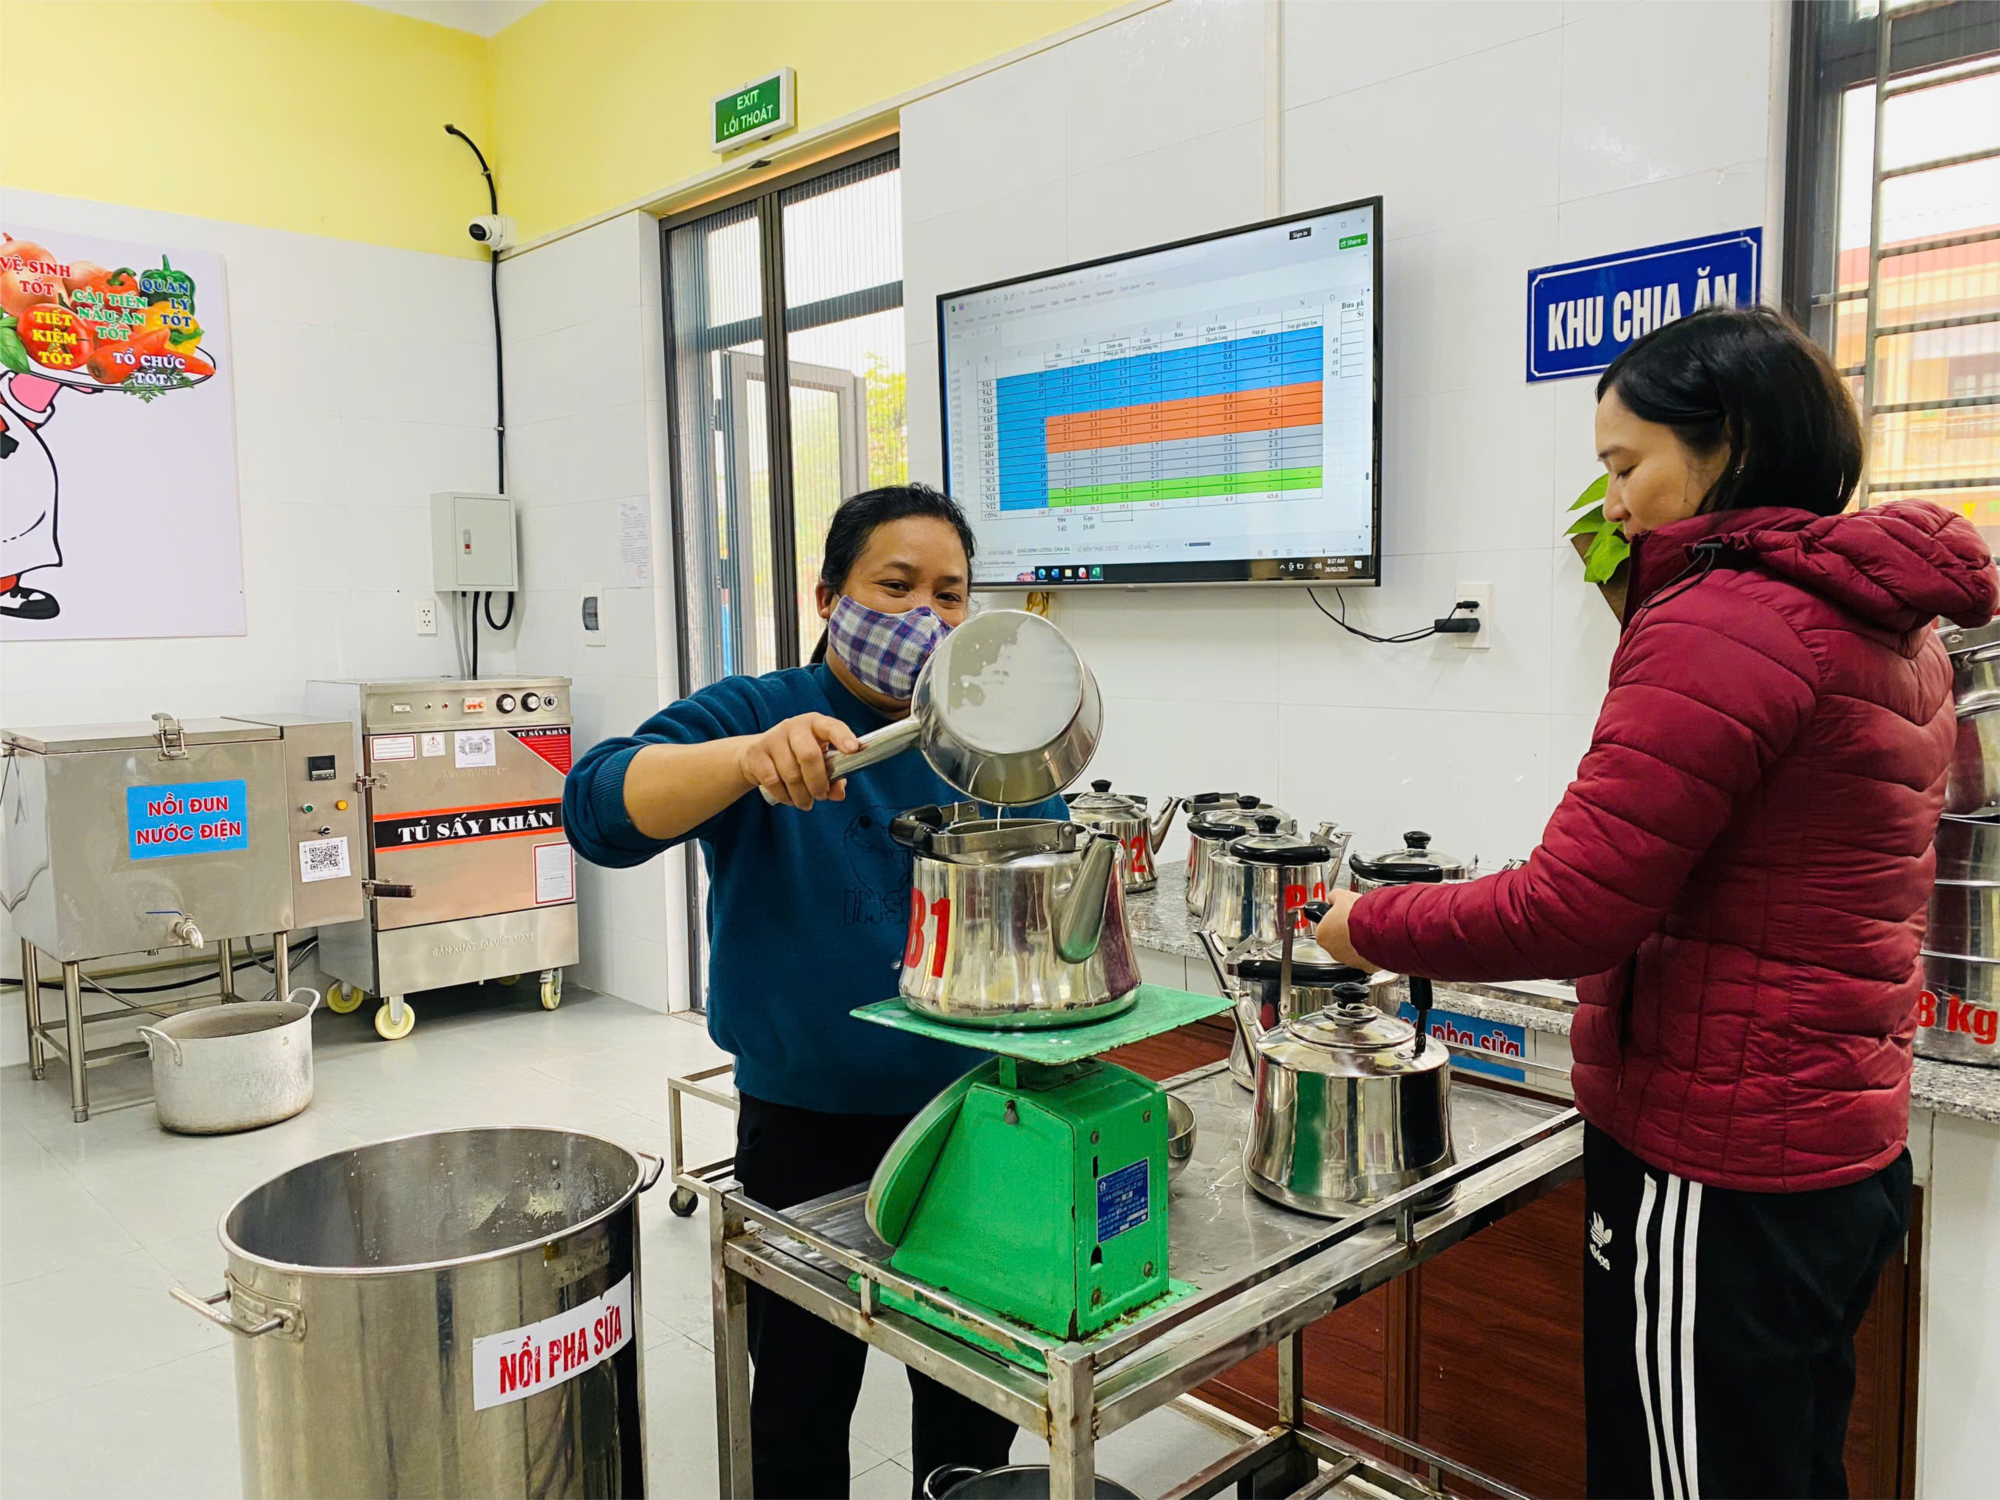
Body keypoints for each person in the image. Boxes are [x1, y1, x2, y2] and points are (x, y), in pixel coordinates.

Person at [1312, 305, 1997, 1500]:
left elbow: (1569, 908)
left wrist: (1360, 924)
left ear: (1729, 442)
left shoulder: (1725, 618)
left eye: (1626, 466)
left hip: (1719, 1166)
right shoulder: (1889, 627)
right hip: (1836, 1153)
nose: (1612, 503)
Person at [566, 482, 1068, 1499]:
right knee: (800, 1398)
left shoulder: (987, 739)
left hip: (973, 1128)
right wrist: (746, 761)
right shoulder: (762, 714)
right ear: (829, 597)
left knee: (969, 1402)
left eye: (950, 595)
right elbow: (599, 805)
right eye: (895, 586)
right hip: (805, 1132)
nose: (925, 617)